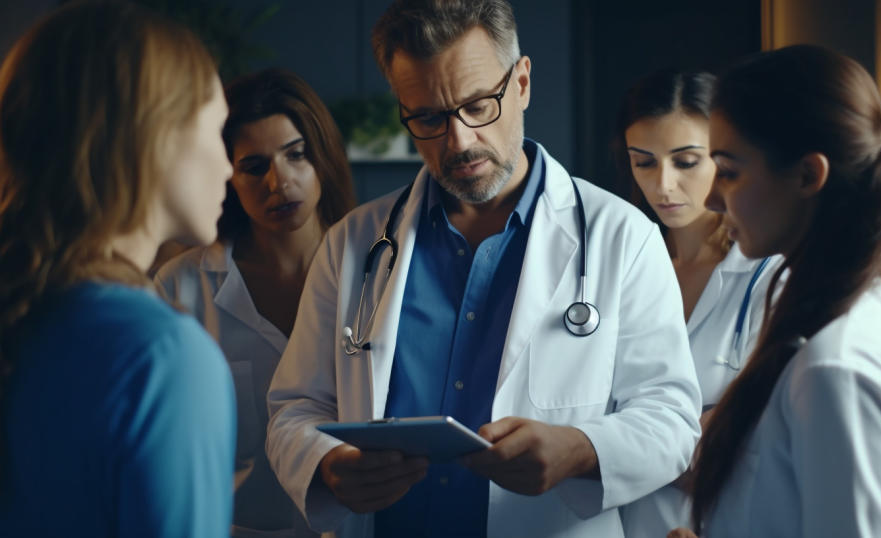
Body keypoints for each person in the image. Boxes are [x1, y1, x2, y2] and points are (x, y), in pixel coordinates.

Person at [266, 1, 703, 537]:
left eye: (478, 105)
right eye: (428, 117)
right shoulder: (354, 243)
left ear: (520, 83)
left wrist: (581, 450)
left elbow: (671, 418)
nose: (459, 141)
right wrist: (325, 464)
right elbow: (296, 406)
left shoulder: (623, 237)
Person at [672, 45, 881, 537]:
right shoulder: (827, 320)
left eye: (728, 172)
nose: (711, 198)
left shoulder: (838, 368)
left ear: (807, 175)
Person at [0, 2, 236, 537]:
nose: (228, 166)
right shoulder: (161, 358)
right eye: (217, 131)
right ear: (154, 137)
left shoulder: (25, 311)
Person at [155, 68, 356, 537]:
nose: (278, 182)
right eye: (254, 166)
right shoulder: (181, 288)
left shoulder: (378, 272)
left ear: (322, 157)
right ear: (228, 176)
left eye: (296, 155)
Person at [614, 71, 782, 538]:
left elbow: (754, 449)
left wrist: (612, 448)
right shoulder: (614, 272)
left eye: (686, 161)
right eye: (643, 163)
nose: (664, 185)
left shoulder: (768, 276)